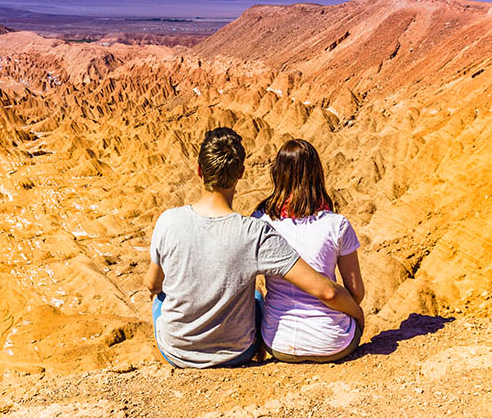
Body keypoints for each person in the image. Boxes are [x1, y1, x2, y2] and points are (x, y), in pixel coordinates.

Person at [144, 127, 363, 368]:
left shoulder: (168, 220)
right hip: (237, 352)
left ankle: (176, 345)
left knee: (161, 298)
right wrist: (357, 315)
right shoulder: (254, 232)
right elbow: (326, 290)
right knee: (255, 298)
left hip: (177, 353)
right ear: (241, 173)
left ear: (199, 171)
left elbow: (152, 284)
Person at [253, 139, 365, 363]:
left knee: (256, 296)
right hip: (334, 343)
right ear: (317, 174)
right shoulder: (337, 225)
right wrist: (358, 317)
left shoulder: (260, 222)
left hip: (277, 343)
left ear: (277, 173)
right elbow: (356, 293)